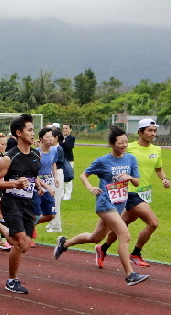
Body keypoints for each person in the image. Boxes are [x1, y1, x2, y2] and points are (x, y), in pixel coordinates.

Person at [54, 125, 149, 287]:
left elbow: (137, 182)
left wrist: (129, 177)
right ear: (112, 144)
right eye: (121, 143)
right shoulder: (103, 161)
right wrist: (90, 187)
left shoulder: (130, 159)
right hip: (105, 203)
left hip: (120, 204)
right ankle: (130, 274)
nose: (124, 145)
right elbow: (84, 175)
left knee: (96, 237)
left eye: (126, 142)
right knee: (124, 235)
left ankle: (65, 243)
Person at [95, 118, 168, 268]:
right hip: (129, 192)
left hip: (145, 193)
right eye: (149, 130)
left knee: (122, 225)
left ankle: (102, 249)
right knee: (153, 223)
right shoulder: (129, 148)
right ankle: (136, 253)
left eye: (154, 131)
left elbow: (158, 168)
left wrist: (164, 179)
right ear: (140, 132)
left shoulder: (157, 150)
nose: (153, 133)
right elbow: (114, 160)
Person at [0, 114, 39, 294]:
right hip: (11, 202)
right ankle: (12, 280)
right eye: (30, 130)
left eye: (33, 130)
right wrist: (13, 183)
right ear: (18, 132)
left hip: (28, 203)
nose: (33, 133)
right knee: (20, 241)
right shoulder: (9, 158)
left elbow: (32, 176)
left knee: (24, 246)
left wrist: (37, 185)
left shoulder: (36, 154)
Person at [60, 124, 76, 200]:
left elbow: (69, 147)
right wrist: (63, 142)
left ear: (70, 129)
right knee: (61, 177)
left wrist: (63, 142)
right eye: (63, 128)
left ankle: (68, 194)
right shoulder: (60, 138)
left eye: (66, 128)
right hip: (60, 160)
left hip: (68, 160)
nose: (65, 130)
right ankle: (61, 193)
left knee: (68, 177)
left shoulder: (71, 138)